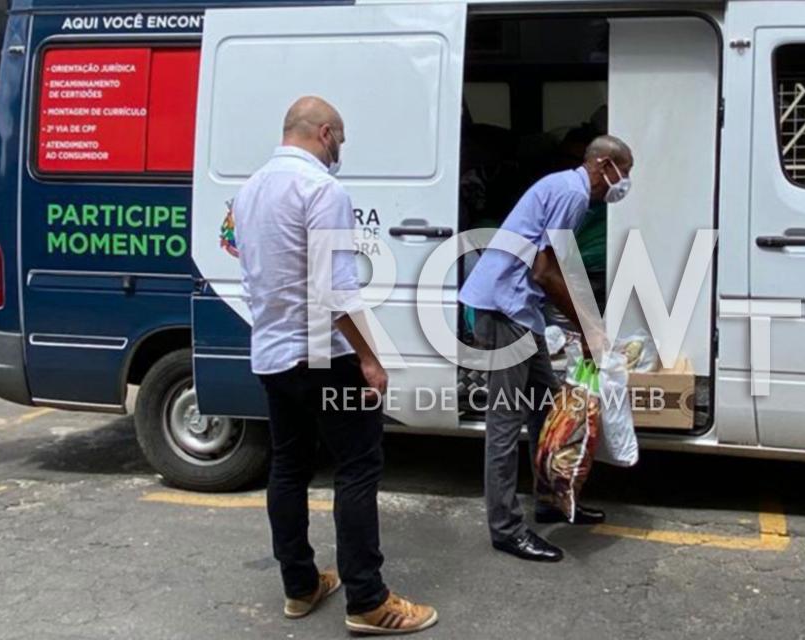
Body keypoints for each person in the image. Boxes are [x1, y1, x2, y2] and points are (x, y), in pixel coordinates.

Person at [233, 96, 437, 635]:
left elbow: (243, 258)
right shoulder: (323, 189)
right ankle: (368, 601)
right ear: (325, 133)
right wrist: (370, 358)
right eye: (340, 140)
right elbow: (336, 288)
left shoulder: (249, 190)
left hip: (273, 353)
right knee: (357, 467)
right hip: (325, 354)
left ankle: (300, 586)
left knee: (288, 467)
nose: (339, 150)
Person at [459, 135, 634, 562]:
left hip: (518, 309)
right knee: (505, 421)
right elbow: (545, 272)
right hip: (504, 308)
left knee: (546, 406)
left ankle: (550, 498)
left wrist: (587, 325)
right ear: (603, 164)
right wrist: (588, 331)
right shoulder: (572, 193)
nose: (624, 183)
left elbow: (559, 269)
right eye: (624, 173)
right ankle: (505, 528)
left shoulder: (566, 190)